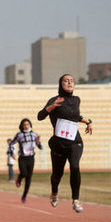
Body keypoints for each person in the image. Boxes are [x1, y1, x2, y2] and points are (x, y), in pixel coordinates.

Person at [37, 74, 92, 213]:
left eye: (72, 81)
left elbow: (73, 116)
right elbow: (40, 116)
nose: (69, 83)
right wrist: (51, 107)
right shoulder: (55, 100)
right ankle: (54, 192)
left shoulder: (76, 100)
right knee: (57, 174)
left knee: (74, 167)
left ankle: (76, 200)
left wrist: (87, 122)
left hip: (75, 141)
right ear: (60, 84)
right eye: (66, 81)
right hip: (59, 143)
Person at [10, 118, 42, 203]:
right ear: (22, 126)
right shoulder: (19, 135)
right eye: (24, 125)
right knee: (24, 173)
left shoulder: (34, 135)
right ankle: (19, 178)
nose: (26, 126)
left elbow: (40, 147)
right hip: (22, 158)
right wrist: (12, 153)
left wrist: (38, 142)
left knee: (29, 178)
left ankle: (24, 196)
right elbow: (12, 143)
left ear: (30, 125)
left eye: (27, 124)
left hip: (31, 158)